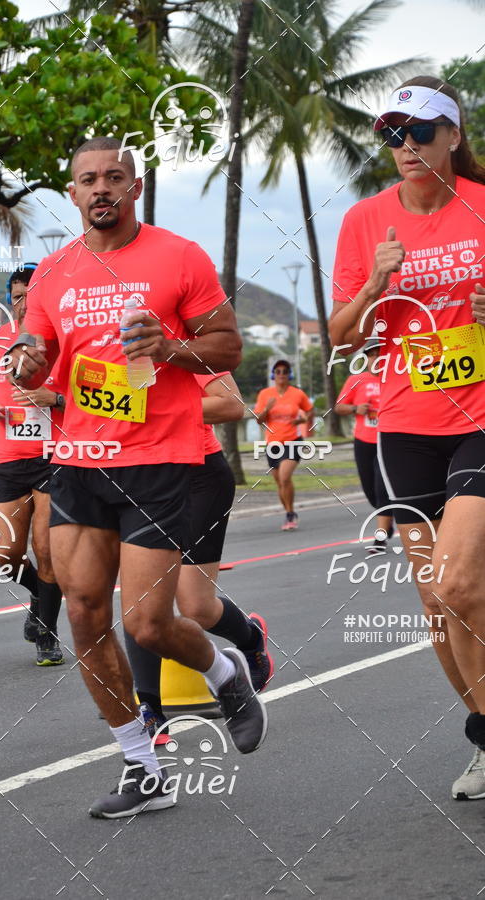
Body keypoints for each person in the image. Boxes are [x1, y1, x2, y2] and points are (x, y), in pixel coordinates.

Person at [7, 136, 268, 819]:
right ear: (72, 193)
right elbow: (38, 350)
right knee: (86, 615)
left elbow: (227, 344)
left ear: (135, 187)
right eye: (88, 178)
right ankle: (142, 766)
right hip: (79, 466)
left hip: (159, 463)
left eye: (114, 177)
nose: (101, 188)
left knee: (148, 623)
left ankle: (224, 670)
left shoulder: (179, 256)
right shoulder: (54, 273)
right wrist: (25, 365)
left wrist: (171, 345)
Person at [329, 75, 485, 800]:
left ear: (454, 135)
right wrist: (373, 287)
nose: (408, 146)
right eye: (394, 133)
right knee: (438, 602)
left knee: (459, 580)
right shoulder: (365, 223)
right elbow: (340, 335)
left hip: (480, 418)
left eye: (421, 131)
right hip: (407, 425)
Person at [124, 371, 274, 743]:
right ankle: (151, 711)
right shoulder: (101, 343)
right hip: (138, 477)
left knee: (195, 607)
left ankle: (250, 639)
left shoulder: (184, 345)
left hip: (198, 477)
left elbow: (231, 405)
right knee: (141, 602)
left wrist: (154, 408)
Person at [0, 263, 65, 666]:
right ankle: (37, 595)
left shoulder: (62, 341)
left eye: (32, 293)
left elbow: (88, 394)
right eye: (17, 296)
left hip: (54, 457)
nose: (24, 302)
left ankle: (47, 633)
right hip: (9, 459)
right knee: (5, 555)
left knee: (47, 552)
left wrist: (55, 399)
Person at [335, 338, 394, 554]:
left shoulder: (395, 379)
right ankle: (388, 520)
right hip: (363, 441)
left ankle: (379, 539)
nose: (376, 357)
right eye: (372, 354)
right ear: (367, 358)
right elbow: (339, 407)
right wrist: (355, 409)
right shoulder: (356, 380)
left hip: (387, 441)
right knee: (371, 492)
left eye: (380, 353)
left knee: (382, 489)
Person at [254, 359, 314, 530]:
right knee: (280, 483)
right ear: (273, 375)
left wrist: (303, 420)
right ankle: (290, 511)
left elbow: (310, 411)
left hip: (292, 441)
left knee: (284, 477)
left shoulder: (297, 393)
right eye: (278, 371)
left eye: (285, 371)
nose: (281, 374)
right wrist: (267, 408)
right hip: (273, 443)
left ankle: (290, 515)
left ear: (290, 375)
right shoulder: (265, 394)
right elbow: (259, 420)